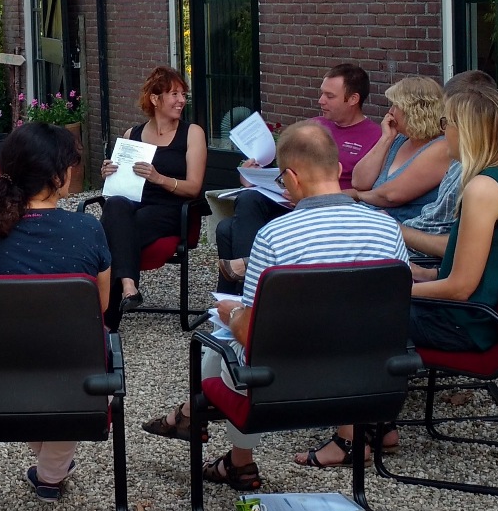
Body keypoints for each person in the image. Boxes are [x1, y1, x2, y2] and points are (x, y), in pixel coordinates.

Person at [141, 120, 408, 489]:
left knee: (220, 346)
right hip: (373, 382)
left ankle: (223, 446)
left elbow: (253, 333)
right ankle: (210, 439)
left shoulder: (275, 236)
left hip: (287, 390)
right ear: (336, 168)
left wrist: (230, 312)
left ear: (292, 177)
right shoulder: (387, 228)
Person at [0, 122, 113, 501]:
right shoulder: (87, 229)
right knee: (82, 350)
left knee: (28, 346)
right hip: (76, 374)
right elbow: (102, 305)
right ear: (56, 175)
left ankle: (50, 468)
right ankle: (51, 472)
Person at [213, 62, 384, 292]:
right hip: (290, 201)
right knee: (249, 198)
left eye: (329, 96)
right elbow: (288, 170)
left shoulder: (375, 137)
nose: (321, 101)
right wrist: (254, 177)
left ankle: (245, 293)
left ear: (353, 99)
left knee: (226, 229)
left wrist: (313, 197)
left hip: (331, 210)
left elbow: (373, 191)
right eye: (321, 93)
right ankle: (244, 292)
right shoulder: (314, 127)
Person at [407, 86, 498, 350]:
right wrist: (428, 275)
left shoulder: (482, 189)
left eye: (445, 122)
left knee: (355, 312)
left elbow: (460, 289)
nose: (442, 131)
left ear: (465, 131)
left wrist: (388, 294)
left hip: (463, 324)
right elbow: (493, 263)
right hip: (479, 317)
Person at [98, 65, 207, 320]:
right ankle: (128, 287)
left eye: (183, 94)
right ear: (155, 99)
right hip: (134, 205)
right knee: (115, 206)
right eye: (174, 94)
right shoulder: (131, 135)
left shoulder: (192, 134)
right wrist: (110, 172)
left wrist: (160, 178)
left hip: (173, 209)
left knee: (114, 233)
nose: (181, 100)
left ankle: (108, 316)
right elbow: (119, 187)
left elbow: (194, 187)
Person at [401, 69, 498, 261]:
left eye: (446, 120)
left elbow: (459, 278)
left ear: (466, 123)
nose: (441, 129)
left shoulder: (481, 185)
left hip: (419, 257)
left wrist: (394, 229)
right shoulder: (463, 164)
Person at [348, 76, 450, 221]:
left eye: (396, 106)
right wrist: (386, 139)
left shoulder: (440, 147)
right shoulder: (399, 140)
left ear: (415, 111)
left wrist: (356, 195)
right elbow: (359, 182)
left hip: (402, 233)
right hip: (371, 221)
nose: (390, 111)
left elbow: (392, 196)